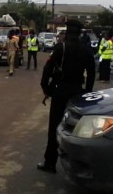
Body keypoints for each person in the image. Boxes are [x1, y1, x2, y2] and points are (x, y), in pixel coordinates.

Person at [38, 19, 95, 174]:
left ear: (67, 32)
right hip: (77, 93)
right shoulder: (86, 50)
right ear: (80, 33)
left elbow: (47, 69)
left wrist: (46, 89)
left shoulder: (60, 48)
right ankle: (76, 166)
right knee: (75, 130)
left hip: (60, 91)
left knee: (54, 127)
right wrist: (87, 92)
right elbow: (91, 74)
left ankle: (50, 162)